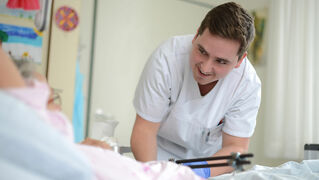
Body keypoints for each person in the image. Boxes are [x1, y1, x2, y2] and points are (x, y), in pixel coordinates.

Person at [0, 47, 203, 180]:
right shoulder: (22, 124)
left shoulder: (56, 151)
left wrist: (76, 149)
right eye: (50, 100)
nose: (58, 109)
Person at [131, 2, 261, 178]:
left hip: (212, 166)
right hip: (157, 158)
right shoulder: (167, 59)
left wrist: (199, 172)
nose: (206, 68)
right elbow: (143, 130)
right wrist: (154, 175)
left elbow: (237, 150)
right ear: (196, 34)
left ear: (240, 60)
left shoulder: (248, 85)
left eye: (221, 61)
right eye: (202, 51)